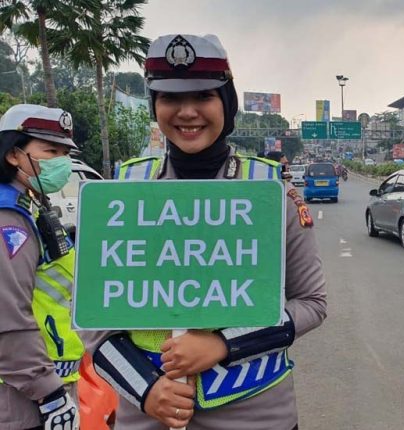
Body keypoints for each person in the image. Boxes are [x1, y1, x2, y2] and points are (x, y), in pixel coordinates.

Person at [85, 34, 326, 430]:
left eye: (203, 97)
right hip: (147, 411)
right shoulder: (124, 190)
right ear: (155, 106)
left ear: (226, 103)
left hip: (257, 411)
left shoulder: (269, 191)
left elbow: (311, 303)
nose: (187, 112)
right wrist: (147, 391)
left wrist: (223, 344)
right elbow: (94, 319)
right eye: (170, 99)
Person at [0, 104, 84, 430]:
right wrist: (50, 395)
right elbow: (8, 316)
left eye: (65, 152)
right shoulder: (10, 218)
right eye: (50, 150)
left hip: (42, 385)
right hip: (23, 397)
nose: (62, 162)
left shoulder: (33, 205)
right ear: (13, 154)